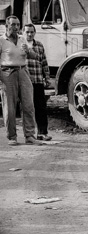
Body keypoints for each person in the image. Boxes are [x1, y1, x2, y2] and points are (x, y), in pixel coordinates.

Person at [0, 16, 41, 145]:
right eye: (13, 25)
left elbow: (35, 56)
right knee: (10, 107)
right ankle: (12, 137)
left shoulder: (23, 39)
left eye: (18, 25)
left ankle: (29, 136)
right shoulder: (1, 40)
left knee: (28, 105)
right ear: (7, 26)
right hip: (7, 73)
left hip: (23, 71)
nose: (16, 27)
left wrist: (28, 51)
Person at [23, 23, 52, 141]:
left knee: (41, 107)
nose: (29, 34)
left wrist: (47, 78)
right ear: (23, 32)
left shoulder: (39, 45)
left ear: (35, 33)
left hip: (38, 80)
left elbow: (44, 62)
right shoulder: (20, 45)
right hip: (25, 82)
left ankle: (42, 133)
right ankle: (29, 134)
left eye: (32, 32)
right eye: (27, 32)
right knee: (27, 108)